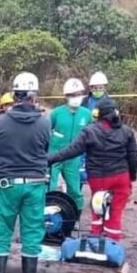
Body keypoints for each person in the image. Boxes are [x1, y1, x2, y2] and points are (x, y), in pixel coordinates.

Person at [0, 72, 51, 273]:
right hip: (35, 185)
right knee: (31, 233)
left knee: (1, 232)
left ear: (15, 95)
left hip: (8, 184)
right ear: (34, 96)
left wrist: (0, 171)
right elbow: (45, 149)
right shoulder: (45, 122)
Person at [47, 98, 137, 241]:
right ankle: (112, 241)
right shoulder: (127, 131)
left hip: (99, 178)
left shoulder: (89, 131)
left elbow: (72, 150)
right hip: (121, 176)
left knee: (97, 207)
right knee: (116, 210)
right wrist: (131, 177)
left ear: (97, 113)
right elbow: (133, 157)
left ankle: (96, 235)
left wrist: (50, 159)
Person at [48, 78, 92, 214]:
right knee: (50, 186)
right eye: (73, 95)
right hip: (54, 156)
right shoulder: (56, 113)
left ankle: (75, 216)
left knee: (75, 189)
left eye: (79, 94)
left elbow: (91, 134)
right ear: (66, 96)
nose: (76, 98)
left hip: (73, 158)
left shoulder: (86, 114)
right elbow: (46, 131)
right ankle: (47, 214)